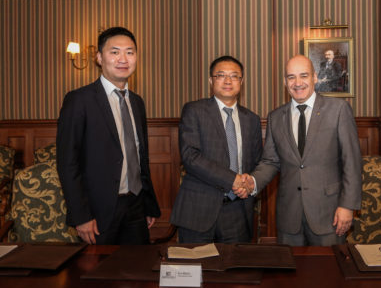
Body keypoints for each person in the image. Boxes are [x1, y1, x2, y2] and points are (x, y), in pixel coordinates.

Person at [235, 55, 362, 246]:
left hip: (329, 213)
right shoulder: (276, 117)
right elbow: (270, 161)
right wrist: (252, 182)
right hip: (289, 215)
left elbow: (351, 162)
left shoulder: (338, 110)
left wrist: (348, 206)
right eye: (291, 77)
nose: (298, 83)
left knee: (329, 265)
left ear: (315, 77)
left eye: (304, 75)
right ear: (285, 82)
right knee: (289, 265)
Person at [57, 27, 160, 245]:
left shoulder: (137, 102)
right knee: (98, 267)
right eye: (114, 52)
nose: (123, 59)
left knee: (138, 264)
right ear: (99, 57)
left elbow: (140, 158)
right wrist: (81, 216)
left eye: (130, 52)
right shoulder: (79, 100)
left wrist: (148, 204)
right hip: (97, 211)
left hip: (136, 206)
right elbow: (68, 163)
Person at [170, 56, 263, 243]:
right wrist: (232, 179)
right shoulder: (194, 110)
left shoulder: (251, 119)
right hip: (199, 209)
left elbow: (257, 161)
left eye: (234, 76)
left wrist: (249, 184)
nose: (228, 81)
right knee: (197, 262)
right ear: (211, 80)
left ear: (241, 81)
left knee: (236, 262)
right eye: (221, 75)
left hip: (238, 210)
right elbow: (191, 157)